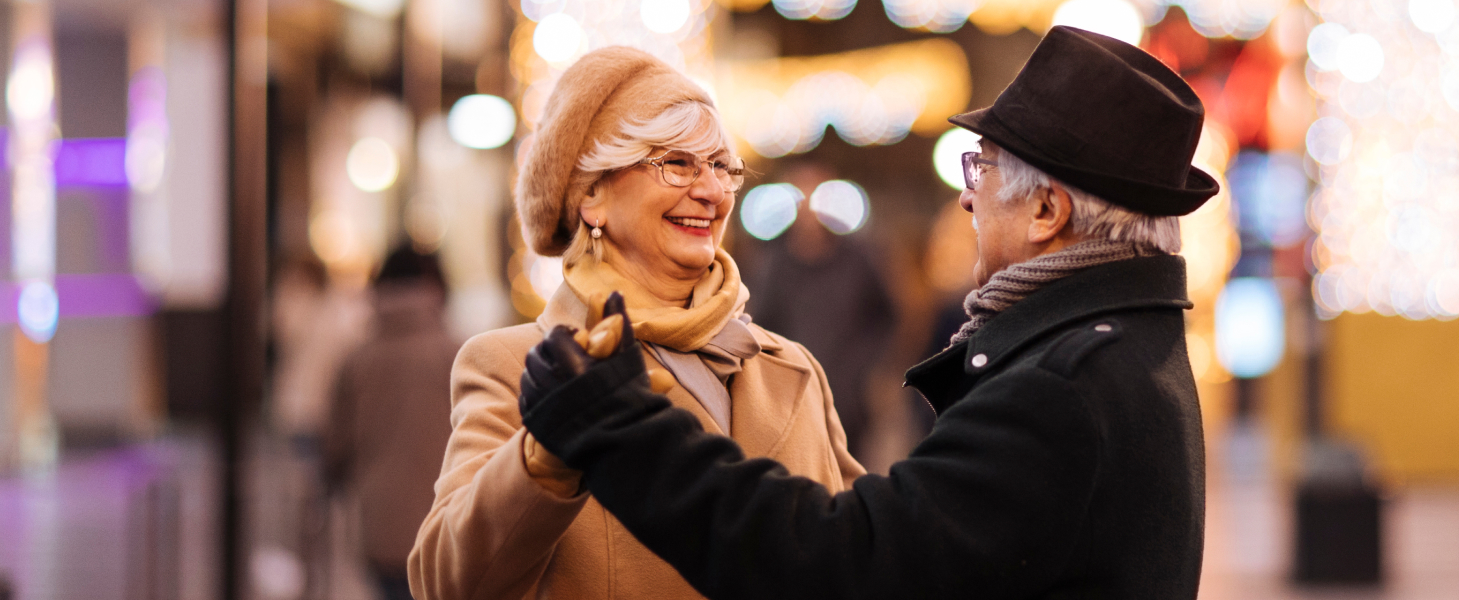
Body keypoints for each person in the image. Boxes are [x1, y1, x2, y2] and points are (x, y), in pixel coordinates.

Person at [512, 26, 1219, 600]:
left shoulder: (1061, 387)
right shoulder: (1130, 348)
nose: (968, 198)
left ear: (1046, 210)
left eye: (984, 169)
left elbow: (845, 563)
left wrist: (618, 431)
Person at [408, 47, 865, 600]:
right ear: (592, 196)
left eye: (722, 167)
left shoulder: (791, 367)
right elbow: (446, 583)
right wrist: (547, 455)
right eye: (677, 163)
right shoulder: (516, 365)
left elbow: (864, 554)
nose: (712, 191)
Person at [325, 246, 460, 600]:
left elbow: (335, 450)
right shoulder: (460, 354)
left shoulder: (357, 360)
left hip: (380, 527)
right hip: (449, 528)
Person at [744, 164, 898, 461]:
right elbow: (759, 325)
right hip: (794, 397)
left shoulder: (860, 258)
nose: (809, 208)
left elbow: (887, 317)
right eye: (801, 197)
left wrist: (870, 369)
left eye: (816, 196)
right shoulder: (773, 264)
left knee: (852, 474)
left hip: (850, 398)